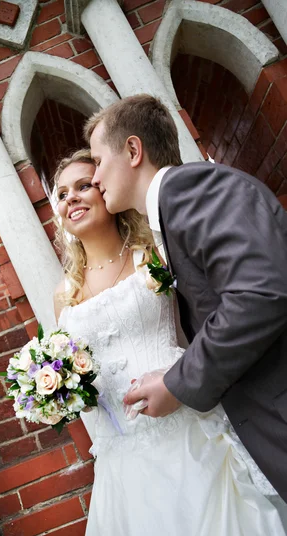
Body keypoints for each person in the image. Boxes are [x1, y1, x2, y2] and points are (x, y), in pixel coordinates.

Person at [53, 149, 287, 536]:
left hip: (189, 428)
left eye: (84, 185)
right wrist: (59, 395)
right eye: (62, 194)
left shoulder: (153, 255)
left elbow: (198, 326)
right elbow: (82, 377)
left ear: (105, 191)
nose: (72, 198)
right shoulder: (65, 294)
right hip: (123, 454)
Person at [85, 94, 287, 503]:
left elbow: (260, 292)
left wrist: (178, 382)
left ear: (133, 150)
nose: (94, 178)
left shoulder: (191, 190)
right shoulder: (174, 210)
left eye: (99, 161)